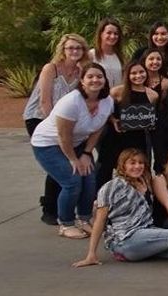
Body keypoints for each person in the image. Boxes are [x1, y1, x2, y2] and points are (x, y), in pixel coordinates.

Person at [31, 63, 114, 239]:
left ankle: (84, 219)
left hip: (76, 144)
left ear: (105, 80)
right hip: (48, 144)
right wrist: (73, 159)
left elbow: (98, 128)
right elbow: (63, 135)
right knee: (72, 180)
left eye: (99, 76)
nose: (95, 80)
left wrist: (86, 153)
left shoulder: (107, 101)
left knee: (89, 178)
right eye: (90, 76)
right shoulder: (71, 102)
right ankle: (66, 223)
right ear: (82, 81)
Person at [23, 33, 88, 225]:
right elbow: (45, 101)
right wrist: (56, 128)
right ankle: (49, 209)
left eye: (78, 48)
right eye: (71, 48)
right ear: (63, 50)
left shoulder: (80, 72)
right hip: (40, 118)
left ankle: (61, 206)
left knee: (63, 164)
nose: (74, 51)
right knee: (57, 163)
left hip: (64, 122)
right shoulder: (51, 69)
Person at [96, 60, 159, 188]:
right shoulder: (116, 92)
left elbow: (151, 116)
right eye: (133, 73)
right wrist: (113, 120)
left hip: (138, 139)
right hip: (116, 137)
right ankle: (101, 197)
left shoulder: (153, 95)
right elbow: (104, 110)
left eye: (141, 72)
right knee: (106, 170)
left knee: (136, 171)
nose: (138, 76)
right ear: (127, 75)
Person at [88, 18, 123, 88]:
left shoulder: (121, 57)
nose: (112, 36)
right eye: (109, 33)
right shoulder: (91, 55)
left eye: (116, 34)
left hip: (117, 94)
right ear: (101, 34)